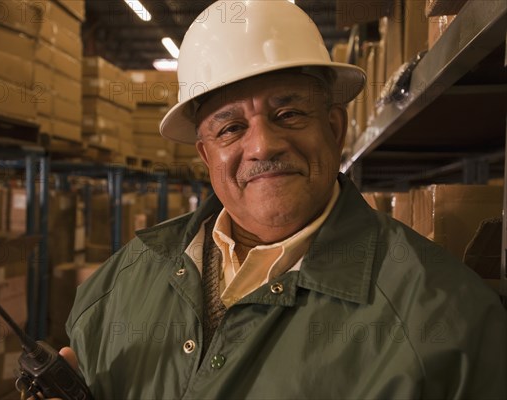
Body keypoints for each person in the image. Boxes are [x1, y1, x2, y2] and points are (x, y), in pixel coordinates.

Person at [56, 1, 507, 399]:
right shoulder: (117, 288)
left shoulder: (448, 322)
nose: (262, 146)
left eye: (288, 114)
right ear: (206, 154)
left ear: (334, 129)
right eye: (231, 128)